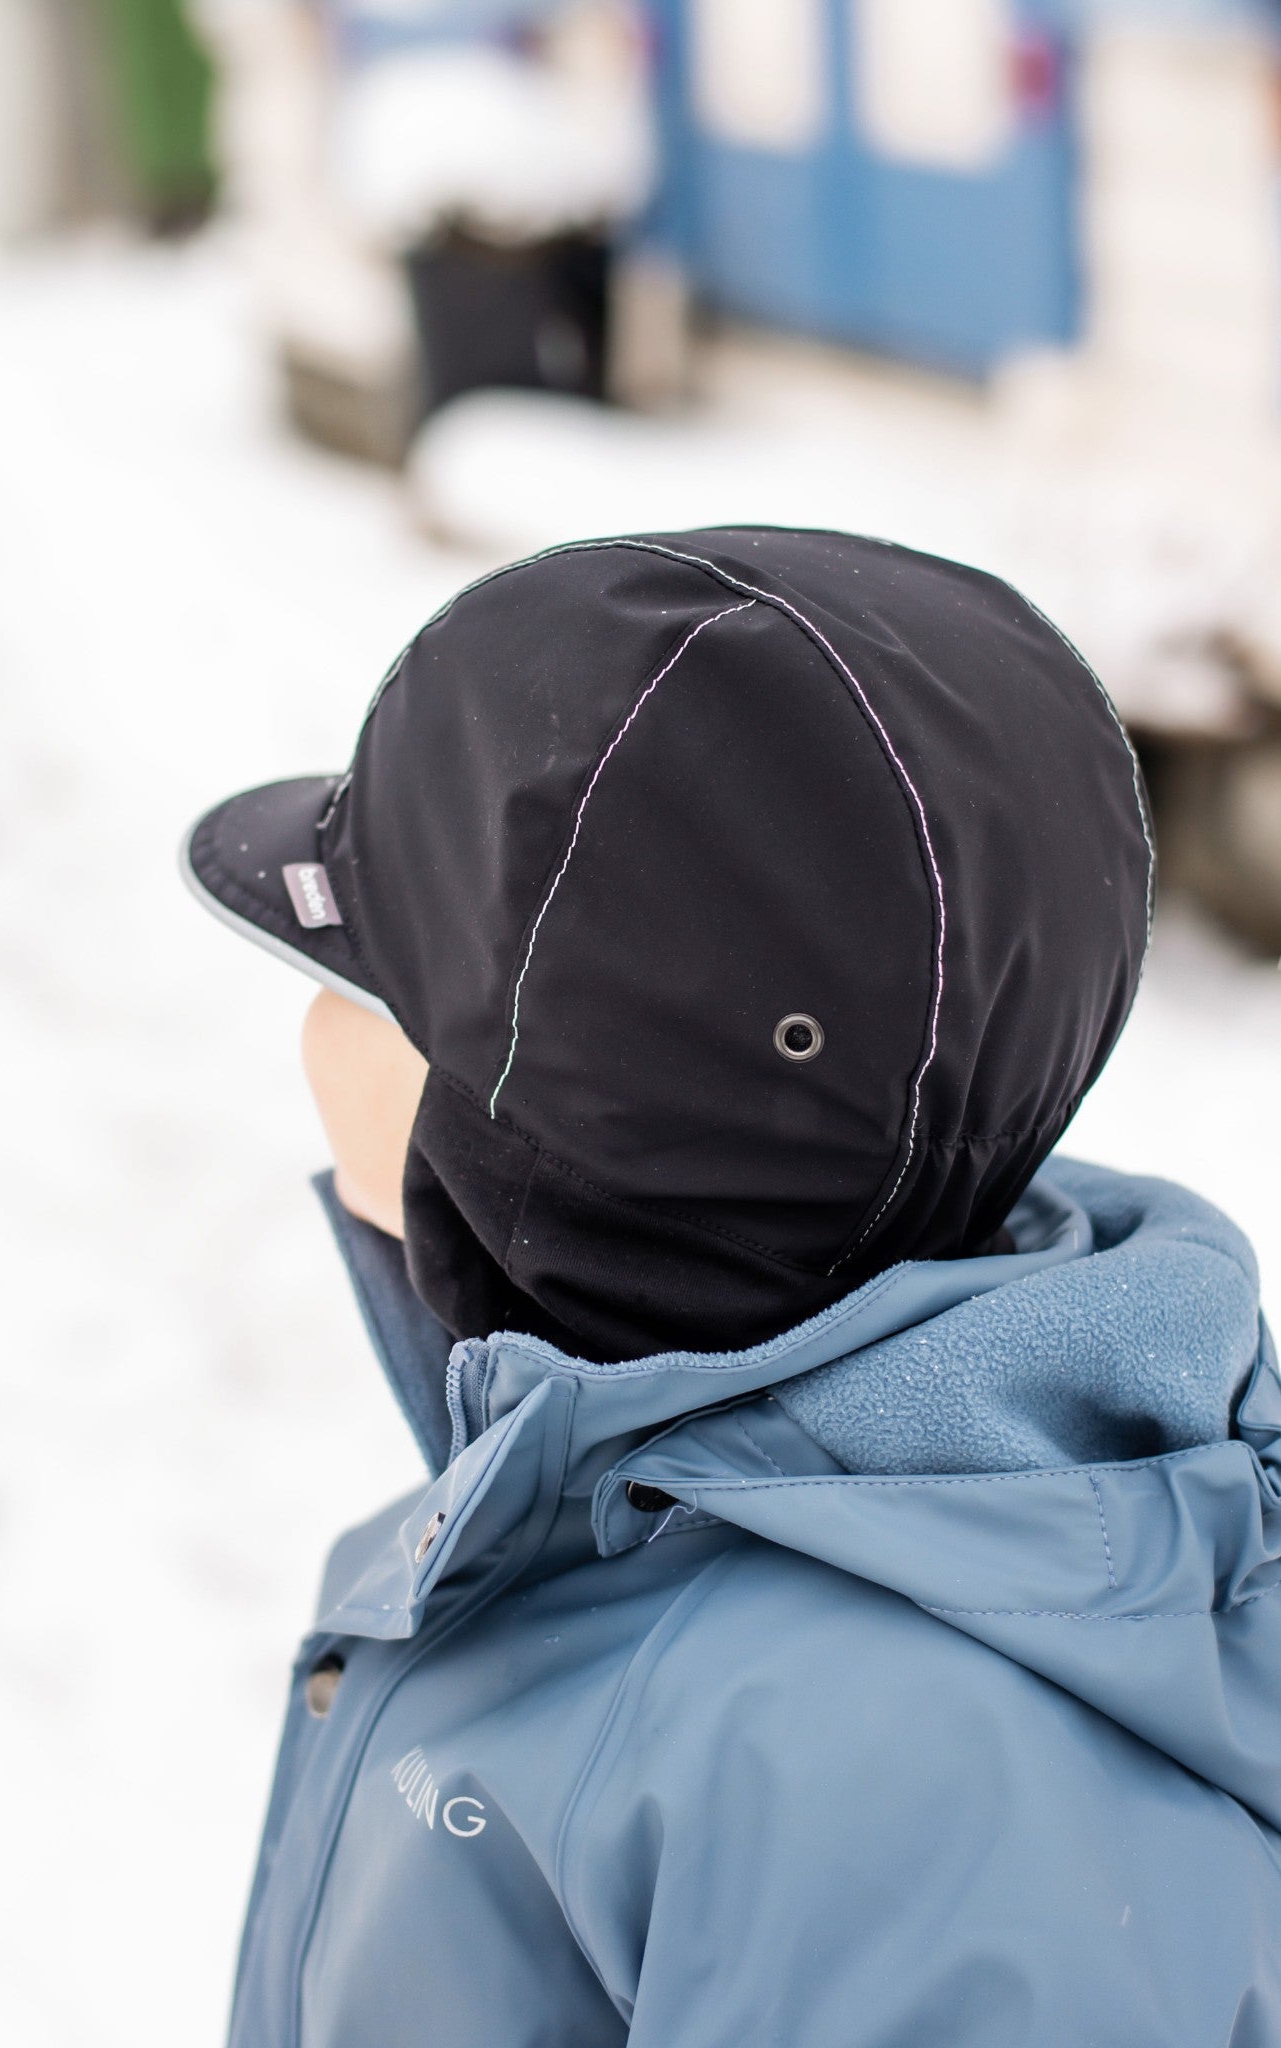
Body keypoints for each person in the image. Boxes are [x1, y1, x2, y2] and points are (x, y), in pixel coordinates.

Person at [182, 528, 1281, 2047]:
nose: (309, 1022)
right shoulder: (602, 1506)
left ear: (535, 1150)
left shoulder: (891, 1789)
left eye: (367, 979)